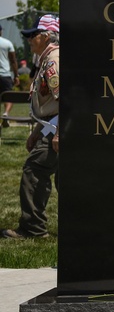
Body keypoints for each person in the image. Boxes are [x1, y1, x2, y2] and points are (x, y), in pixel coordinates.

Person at [1, 14, 60, 240]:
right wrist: (37, 131)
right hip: (51, 125)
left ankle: (33, 228)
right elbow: (50, 103)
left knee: (34, 171)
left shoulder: (53, 59)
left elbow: (65, 100)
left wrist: (58, 133)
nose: (28, 39)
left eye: (32, 35)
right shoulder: (47, 58)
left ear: (45, 36)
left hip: (57, 127)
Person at [0, 25, 16, 122]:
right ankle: (6, 113)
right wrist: (16, 75)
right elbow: (13, 60)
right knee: (9, 96)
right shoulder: (7, 43)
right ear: (1, 31)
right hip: (5, 75)